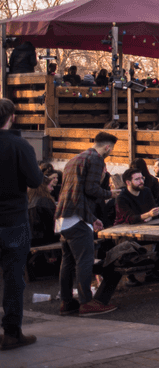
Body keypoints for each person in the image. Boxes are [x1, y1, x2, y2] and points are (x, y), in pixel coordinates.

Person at [54, 131, 120, 316]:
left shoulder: (74, 159)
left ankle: (66, 302)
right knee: (84, 260)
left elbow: (76, 193)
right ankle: (86, 303)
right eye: (111, 149)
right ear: (107, 147)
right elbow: (91, 189)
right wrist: (110, 194)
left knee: (67, 261)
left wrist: (92, 218)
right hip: (78, 219)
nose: (110, 152)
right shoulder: (96, 159)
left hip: (64, 217)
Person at [0, 98, 45, 350]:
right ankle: (12, 332)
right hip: (13, 220)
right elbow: (35, 180)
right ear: (12, 118)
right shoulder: (19, 145)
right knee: (14, 278)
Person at [114, 167, 159, 284]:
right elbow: (130, 219)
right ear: (128, 182)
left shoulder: (146, 191)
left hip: (145, 227)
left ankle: (152, 272)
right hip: (125, 231)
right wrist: (148, 215)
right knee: (126, 242)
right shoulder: (122, 197)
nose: (141, 181)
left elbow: (153, 209)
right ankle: (130, 276)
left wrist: (152, 214)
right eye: (137, 179)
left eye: (142, 178)